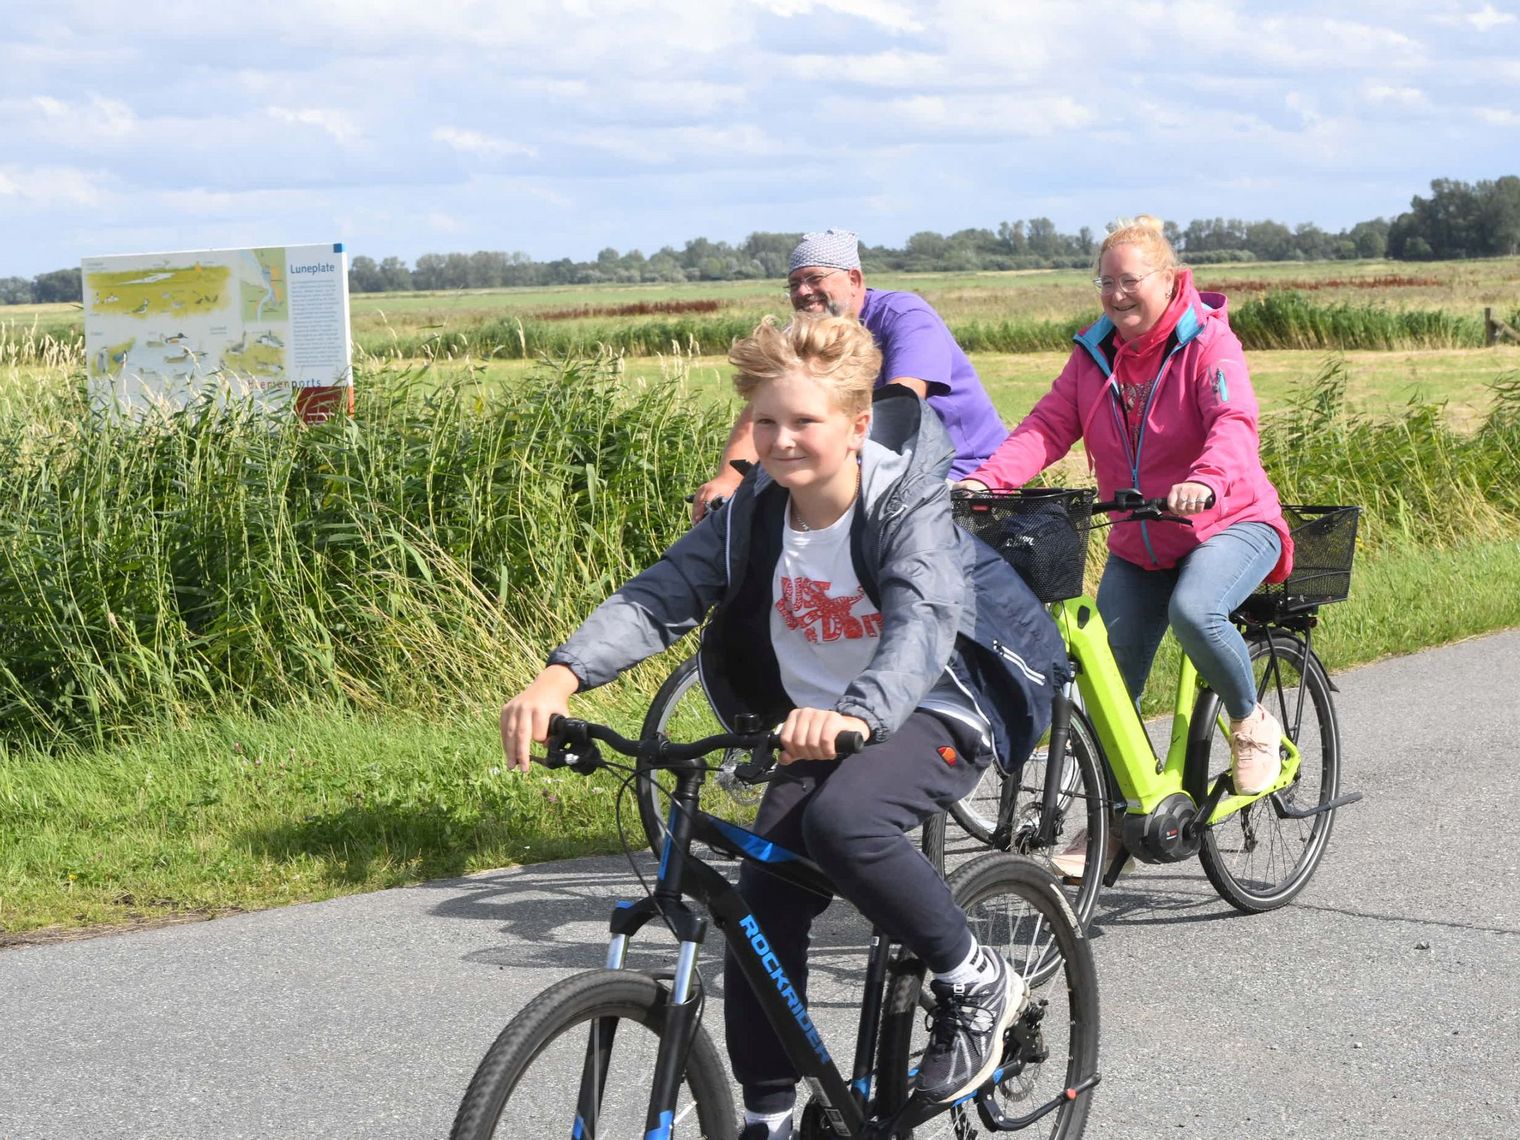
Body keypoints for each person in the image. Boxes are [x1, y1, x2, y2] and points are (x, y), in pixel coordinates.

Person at [501, 313, 1066, 1140]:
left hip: (940, 704)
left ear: (857, 423)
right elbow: (662, 593)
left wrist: (856, 715)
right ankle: (764, 1114)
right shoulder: (753, 511)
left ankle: (975, 978)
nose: (782, 439)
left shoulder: (903, 502)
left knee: (845, 822)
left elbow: (922, 621)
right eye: (766, 420)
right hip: (818, 726)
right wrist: (559, 675)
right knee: (761, 903)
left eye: (805, 421)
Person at [958, 214, 1295, 878]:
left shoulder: (1209, 344)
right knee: (1106, 685)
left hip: (1231, 522)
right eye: (1105, 282)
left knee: (1196, 612)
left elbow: (1234, 423)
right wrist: (984, 481)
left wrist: (1204, 480)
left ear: (1168, 279)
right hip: (1141, 540)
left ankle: (1252, 719)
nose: (1115, 295)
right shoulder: (1094, 356)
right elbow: (1048, 425)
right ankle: (1114, 826)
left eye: (1129, 281)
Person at [690, 228, 1008, 521]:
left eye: (814, 278)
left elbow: (903, 407)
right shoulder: (803, 334)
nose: (803, 291)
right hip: (872, 470)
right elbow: (759, 410)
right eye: (794, 284)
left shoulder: (905, 317)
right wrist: (730, 479)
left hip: (962, 469)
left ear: (854, 279)